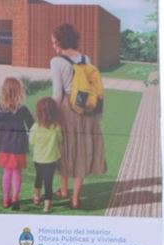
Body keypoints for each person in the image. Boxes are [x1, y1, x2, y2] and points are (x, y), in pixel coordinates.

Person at [50, 23, 107, 209]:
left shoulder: (56, 62)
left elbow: (57, 94)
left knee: (65, 148)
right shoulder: (85, 58)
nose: (53, 45)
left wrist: (51, 115)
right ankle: (75, 197)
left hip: (68, 109)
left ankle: (63, 189)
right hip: (87, 109)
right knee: (82, 151)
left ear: (60, 41)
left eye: (54, 41)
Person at [0, 76, 35, 210]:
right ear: (19, 91)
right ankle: (15, 198)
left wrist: (0, 136)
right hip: (19, 146)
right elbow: (32, 126)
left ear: (3, 91)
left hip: (4, 146)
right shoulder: (23, 110)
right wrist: (26, 134)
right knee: (16, 173)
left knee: (7, 172)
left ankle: (5, 199)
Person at [29, 96, 63, 213]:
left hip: (38, 159)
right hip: (51, 160)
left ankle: (36, 198)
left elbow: (31, 141)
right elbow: (60, 140)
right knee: (48, 182)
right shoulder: (57, 127)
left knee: (38, 178)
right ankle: (47, 206)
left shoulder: (35, 127)